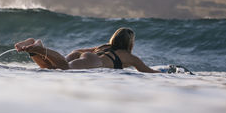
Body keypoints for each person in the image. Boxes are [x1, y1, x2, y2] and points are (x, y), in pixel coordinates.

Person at [14, 27, 160, 73]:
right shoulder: (130, 57)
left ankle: (34, 47)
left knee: (52, 68)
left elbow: (80, 51)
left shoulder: (105, 46)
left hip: (85, 55)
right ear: (130, 43)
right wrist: (169, 72)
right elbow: (149, 72)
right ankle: (40, 48)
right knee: (65, 68)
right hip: (93, 60)